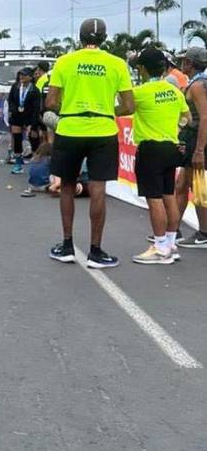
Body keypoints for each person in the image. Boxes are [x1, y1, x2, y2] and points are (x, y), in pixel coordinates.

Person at [44, 18, 135, 268]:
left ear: (79, 38)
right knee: (98, 189)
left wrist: (72, 109)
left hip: (70, 128)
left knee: (67, 187)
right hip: (103, 130)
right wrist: (104, 110)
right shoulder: (117, 64)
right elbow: (128, 106)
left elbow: (50, 102)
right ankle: (96, 251)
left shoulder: (65, 61)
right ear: (104, 39)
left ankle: (67, 245)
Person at [128, 47, 189, 264]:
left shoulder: (140, 92)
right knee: (168, 195)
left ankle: (160, 246)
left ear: (142, 69)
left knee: (154, 199)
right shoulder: (175, 91)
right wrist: (174, 131)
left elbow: (120, 110)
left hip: (150, 149)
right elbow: (187, 118)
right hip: (171, 148)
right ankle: (171, 243)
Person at [175, 46, 207, 249]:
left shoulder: (197, 86)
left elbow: (204, 117)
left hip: (197, 141)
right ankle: (172, 230)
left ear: (189, 63)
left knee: (197, 187)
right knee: (182, 185)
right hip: (193, 140)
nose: (181, 64)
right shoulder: (198, 83)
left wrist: (199, 150)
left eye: (184, 61)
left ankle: (203, 233)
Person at [7, 67, 40, 174]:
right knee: (17, 138)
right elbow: (10, 100)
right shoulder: (15, 87)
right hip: (16, 116)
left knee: (33, 138)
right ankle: (18, 163)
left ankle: (37, 164)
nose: (22, 77)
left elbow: (36, 108)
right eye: (20, 74)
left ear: (30, 77)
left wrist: (33, 124)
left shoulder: (34, 90)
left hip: (29, 117)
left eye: (24, 75)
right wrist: (13, 110)